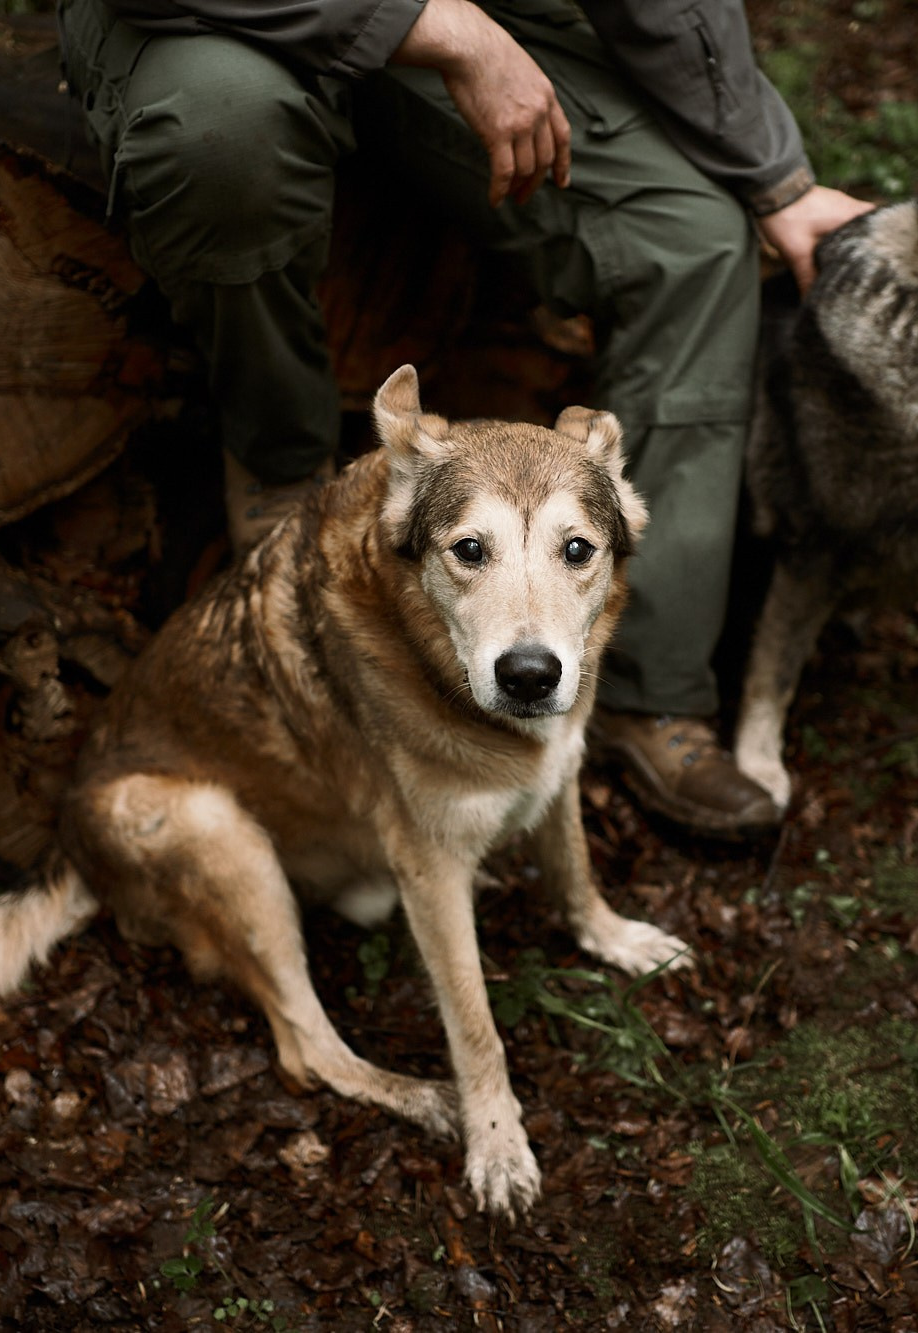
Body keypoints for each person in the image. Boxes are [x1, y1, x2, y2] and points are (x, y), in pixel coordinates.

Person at [57, 0, 872, 836]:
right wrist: (439, 29)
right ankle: (280, 459)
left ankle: (648, 688)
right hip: (212, 20)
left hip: (471, 19)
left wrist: (778, 179)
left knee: (691, 236)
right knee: (221, 134)